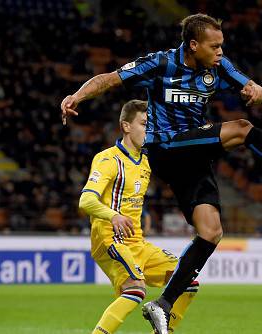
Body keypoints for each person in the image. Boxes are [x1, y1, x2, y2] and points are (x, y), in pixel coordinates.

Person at [62, 14, 262, 334]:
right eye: (215, 46)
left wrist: (257, 90)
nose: (221, 52)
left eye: (222, 45)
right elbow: (110, 78)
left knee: (211, 232)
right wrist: (77, 96)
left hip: (193, 157)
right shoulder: (160, 64)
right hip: (165, 148)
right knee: (242, 129)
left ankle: (163, 305)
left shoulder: (218, 67)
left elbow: (251, 86)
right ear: (193, 45)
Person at [78, 100, 198, 334]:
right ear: (125, 126)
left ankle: (163, 330)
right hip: (109, 238)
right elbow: (86, 200)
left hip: (137, 242)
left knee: (187, 281)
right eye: (144, 124)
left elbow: (129, 195)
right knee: (135, 289)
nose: (149, 130)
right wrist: (113, 216)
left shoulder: (146, 161)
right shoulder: (108, 159)